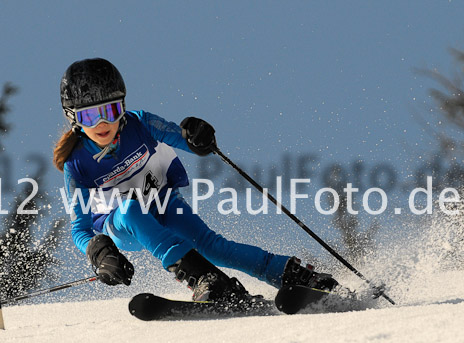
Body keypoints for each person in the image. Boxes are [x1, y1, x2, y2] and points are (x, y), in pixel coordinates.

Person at [53, 58, 337, 303]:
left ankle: (290, 274)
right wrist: (98, 252)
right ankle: (206, 279)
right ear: (74, 119)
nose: (102, 124)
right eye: (90, 116)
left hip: (163, 205)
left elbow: (188, 141)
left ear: (123, 107)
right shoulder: (76, 163)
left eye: (111, 111)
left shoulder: (140, 124)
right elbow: (80, 228)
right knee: (129, 209)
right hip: (123, 226)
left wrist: (199, 137)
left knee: (211, 246)